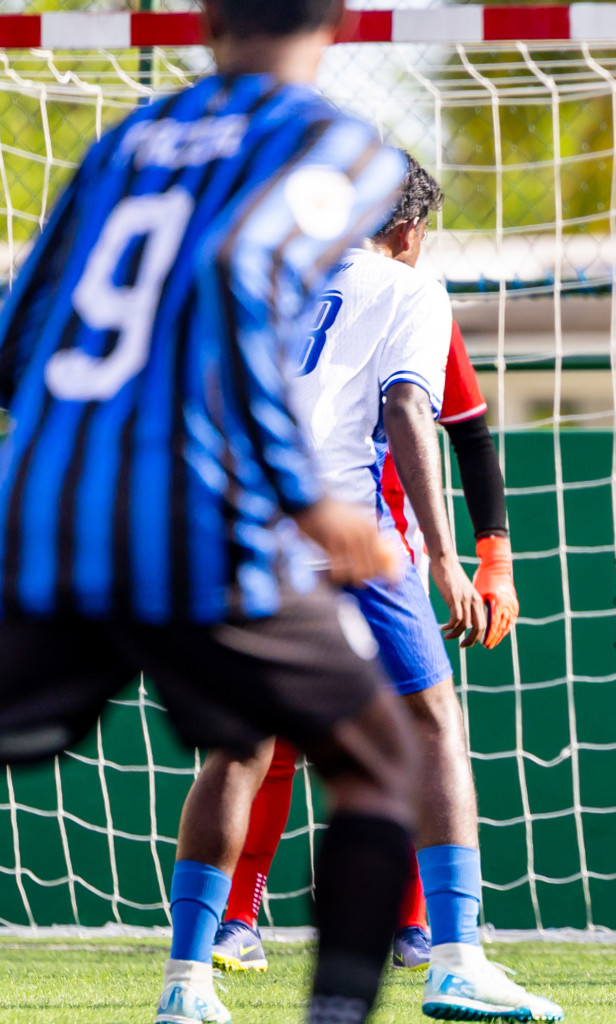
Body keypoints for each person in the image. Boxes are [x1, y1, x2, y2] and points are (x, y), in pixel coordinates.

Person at [0, 2, 422, 1023]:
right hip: (197, 521)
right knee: (382, 761)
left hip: (44, 508)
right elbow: (241, 273)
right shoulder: (334, 146)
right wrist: (307, 500)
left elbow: (17, 331)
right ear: (338, 23)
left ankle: (196, 977)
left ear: (207, 21)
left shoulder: (124, 143)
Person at [163, 155, 562, 1022]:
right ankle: (456, 960)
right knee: (433, 727)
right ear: (412, 229)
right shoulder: (406, 286)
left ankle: (186, 984)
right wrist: (454, 559)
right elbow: (412, 408)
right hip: (354, 541)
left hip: (239, 540)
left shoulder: (255, 276)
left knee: (239, 749)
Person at [211, 319, 517, 974]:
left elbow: (466, 428)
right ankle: (234, 921)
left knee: (408, 729)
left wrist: (494, 557)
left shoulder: (415, 307)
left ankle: (413, 924)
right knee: (269, 734)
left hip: (383, 553)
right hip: (293, 538)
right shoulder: (280, 287)